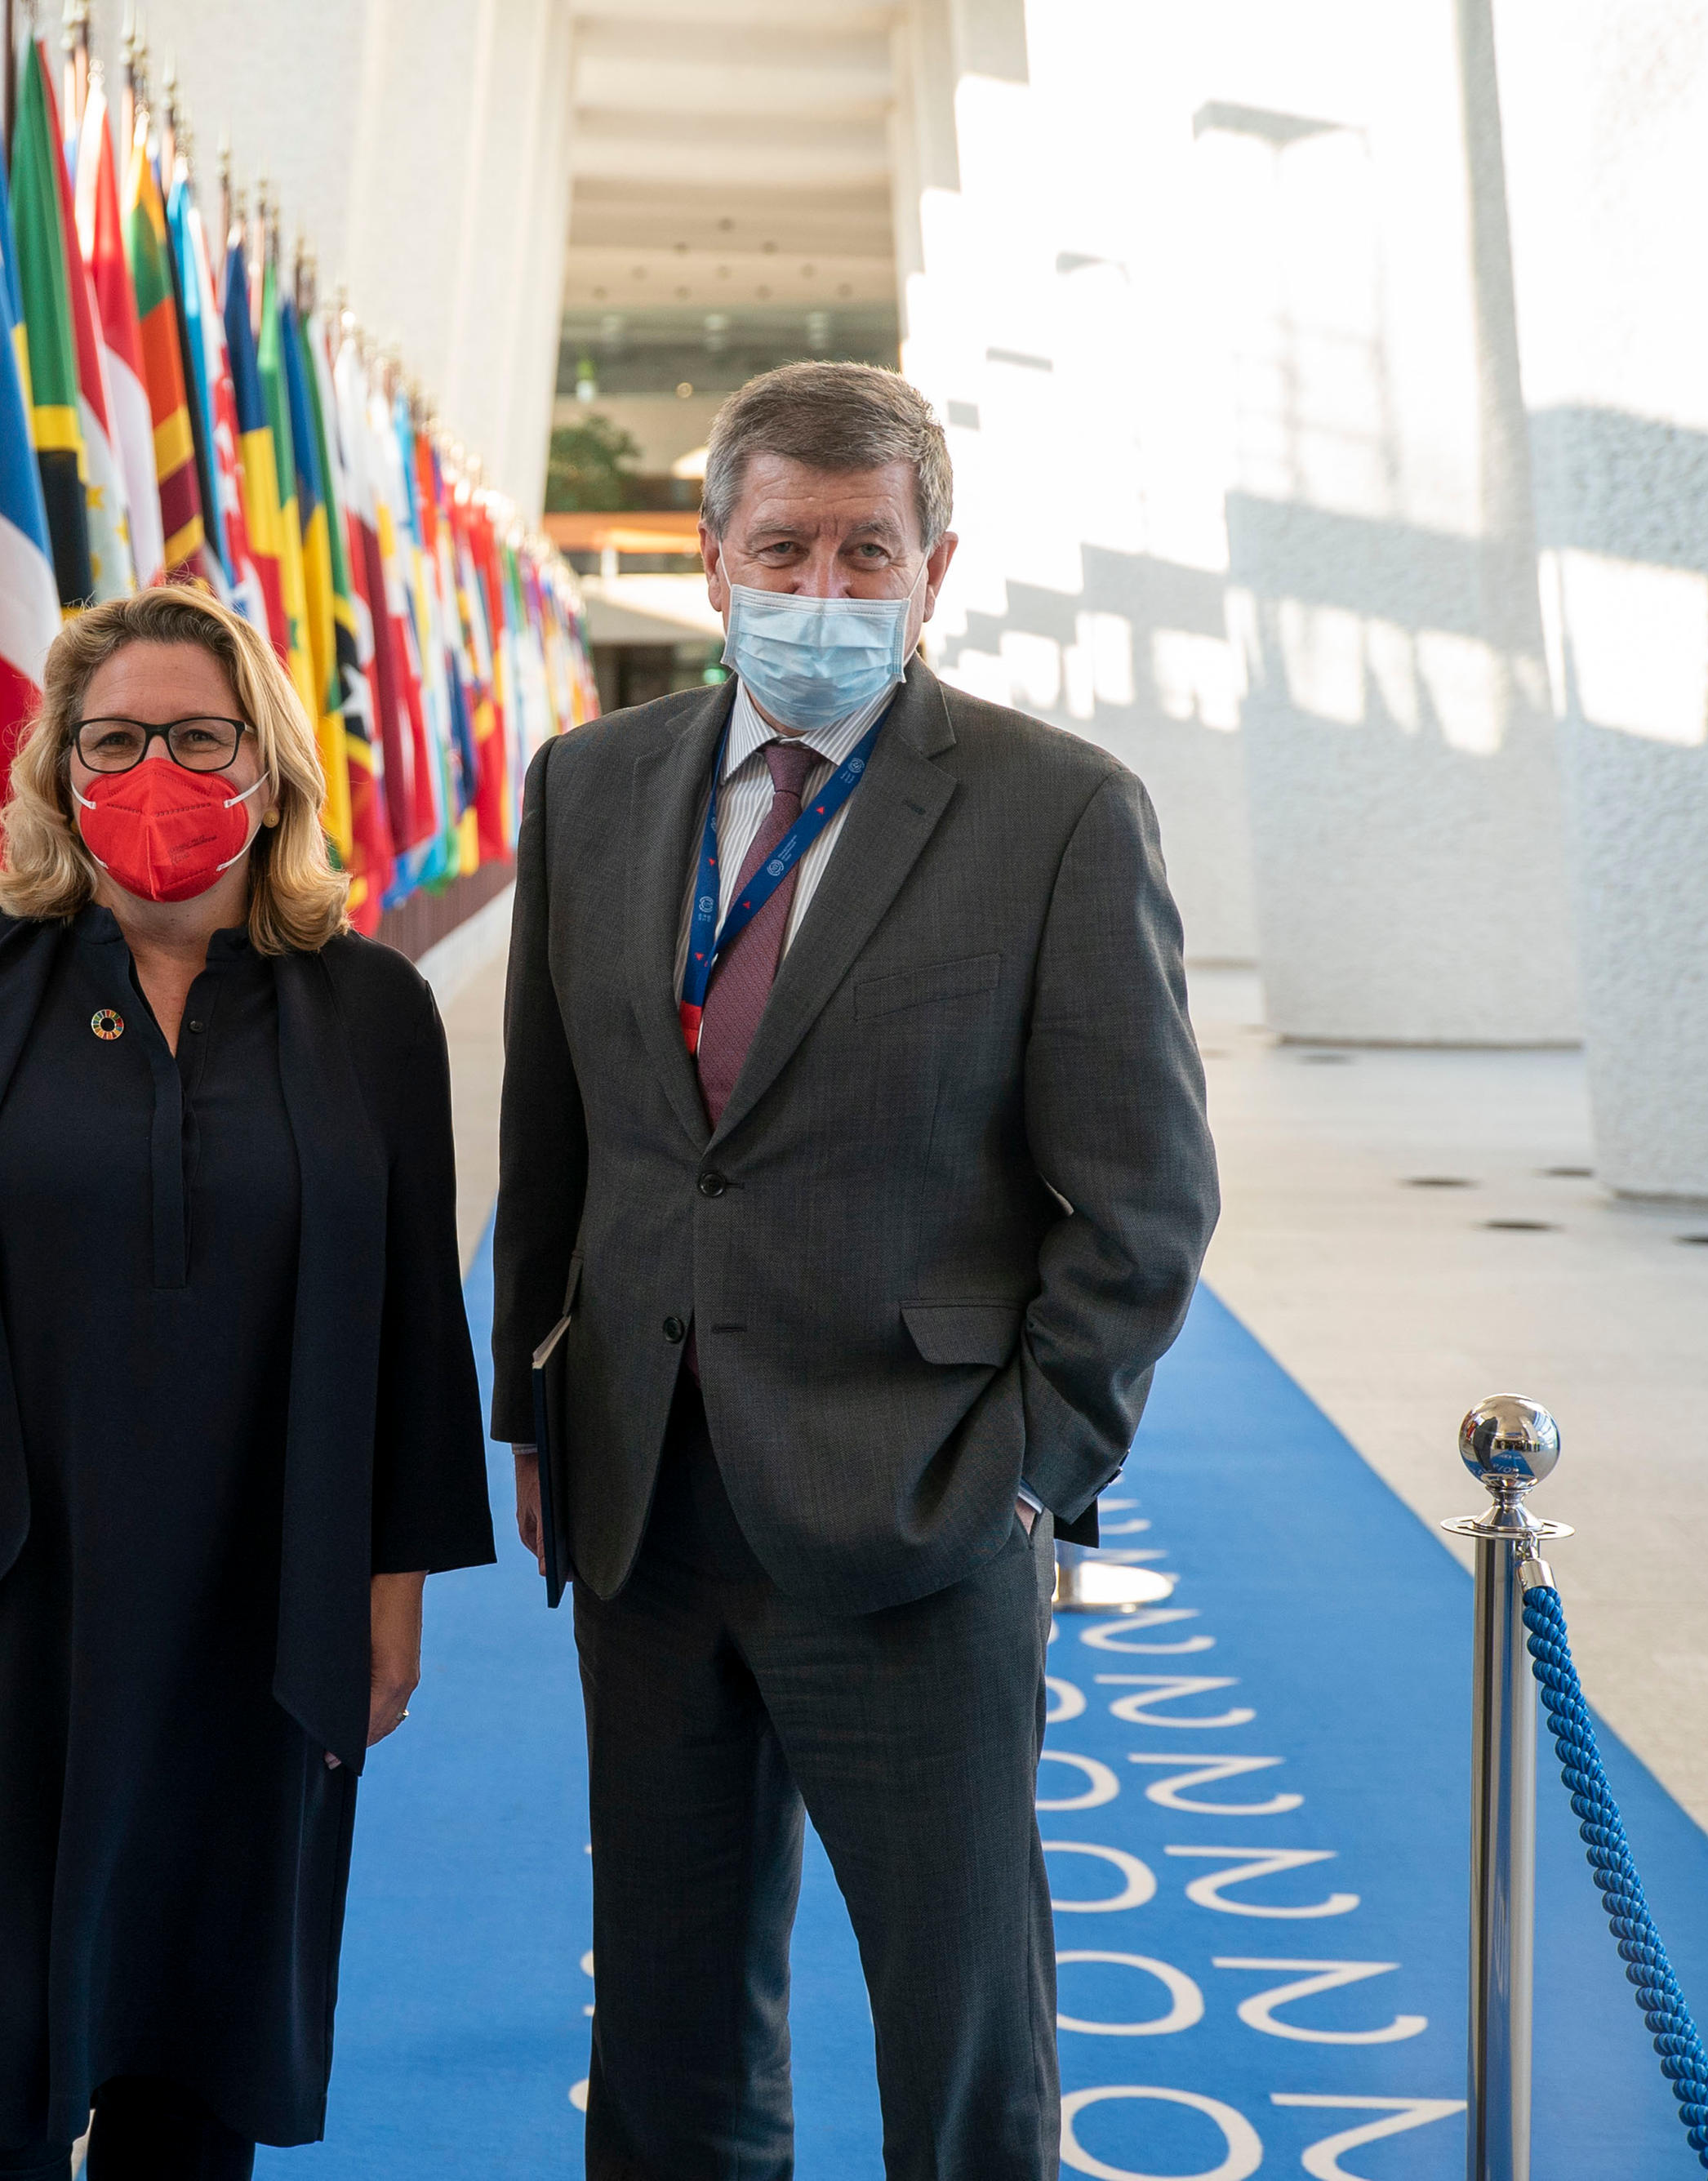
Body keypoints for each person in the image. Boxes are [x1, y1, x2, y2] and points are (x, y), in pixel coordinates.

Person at [493, 361, 1220, 2178]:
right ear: (710, 558)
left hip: (912, 1516)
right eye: (783, 547)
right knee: (663, 2025)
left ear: (931, 567)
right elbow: (550, 1143)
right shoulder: (588, 787)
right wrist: (540, 1414)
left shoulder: (1057, 812)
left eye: (862, 551)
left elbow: (1141, 1203)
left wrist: (1018, 1474)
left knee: (960, 2029)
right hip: (646, 1507)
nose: (821, 588)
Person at [0, 583, 495, 2180]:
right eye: (112, 739)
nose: (150, 768)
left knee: (196, 2064)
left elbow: (403, 1324)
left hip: (263, 1604)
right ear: (56, 768)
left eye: (191, 735)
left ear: (266, 764)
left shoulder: (368, 1008)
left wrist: (394, 1584)